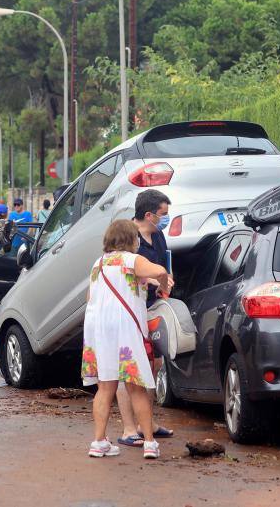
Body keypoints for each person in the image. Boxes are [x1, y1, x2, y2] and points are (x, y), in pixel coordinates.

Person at [82, 219, 170, 459]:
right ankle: (149, 443)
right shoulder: (132, 259)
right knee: (136, 385)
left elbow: (93, 296)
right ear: (132, 239)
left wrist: (144, 280)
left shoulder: (98, 263)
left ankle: (99, 441)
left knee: (105, 386)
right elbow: (160, 271)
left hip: (99, 330)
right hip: (126, 328)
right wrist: (162, 285)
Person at [116, 189, 176, 447]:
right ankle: (129, 428)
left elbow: (165, 265)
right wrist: (152, 279)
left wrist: (167, 281)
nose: (166, 219)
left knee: (155, 364)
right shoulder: (127, 237)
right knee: (128, 371)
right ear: (149, 214)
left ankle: (147, 422)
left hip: (154, 306)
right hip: (131, 309)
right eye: (163, 214)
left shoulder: (159, 235)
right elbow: (120, 269)